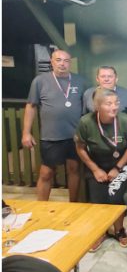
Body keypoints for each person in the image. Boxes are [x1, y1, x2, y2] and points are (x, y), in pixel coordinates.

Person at [22, 48, 88, 201]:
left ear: (70, 63)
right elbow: (31, 106)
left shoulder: (80, 81)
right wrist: (26, 132)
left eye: (66, 61)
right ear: (51, 62)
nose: (62, 64)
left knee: (74, 169)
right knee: (46, 173)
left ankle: (73, 204)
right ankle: (42, 208)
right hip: (51, 136)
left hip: (75, 136)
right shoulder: (40, 81)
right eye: (58, 60)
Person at [74, 89, 127, 250]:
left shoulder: (126, 121)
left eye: (116, 103)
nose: (114, 107)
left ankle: (119, 231)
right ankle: (100, 232)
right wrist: (95, 169)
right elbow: (80, 148)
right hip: (96, 164)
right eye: (109, 104)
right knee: (98, 201)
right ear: (97, 106)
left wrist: (117, 167)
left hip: (120, 163)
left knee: (115, 199)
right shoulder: (86, 122)